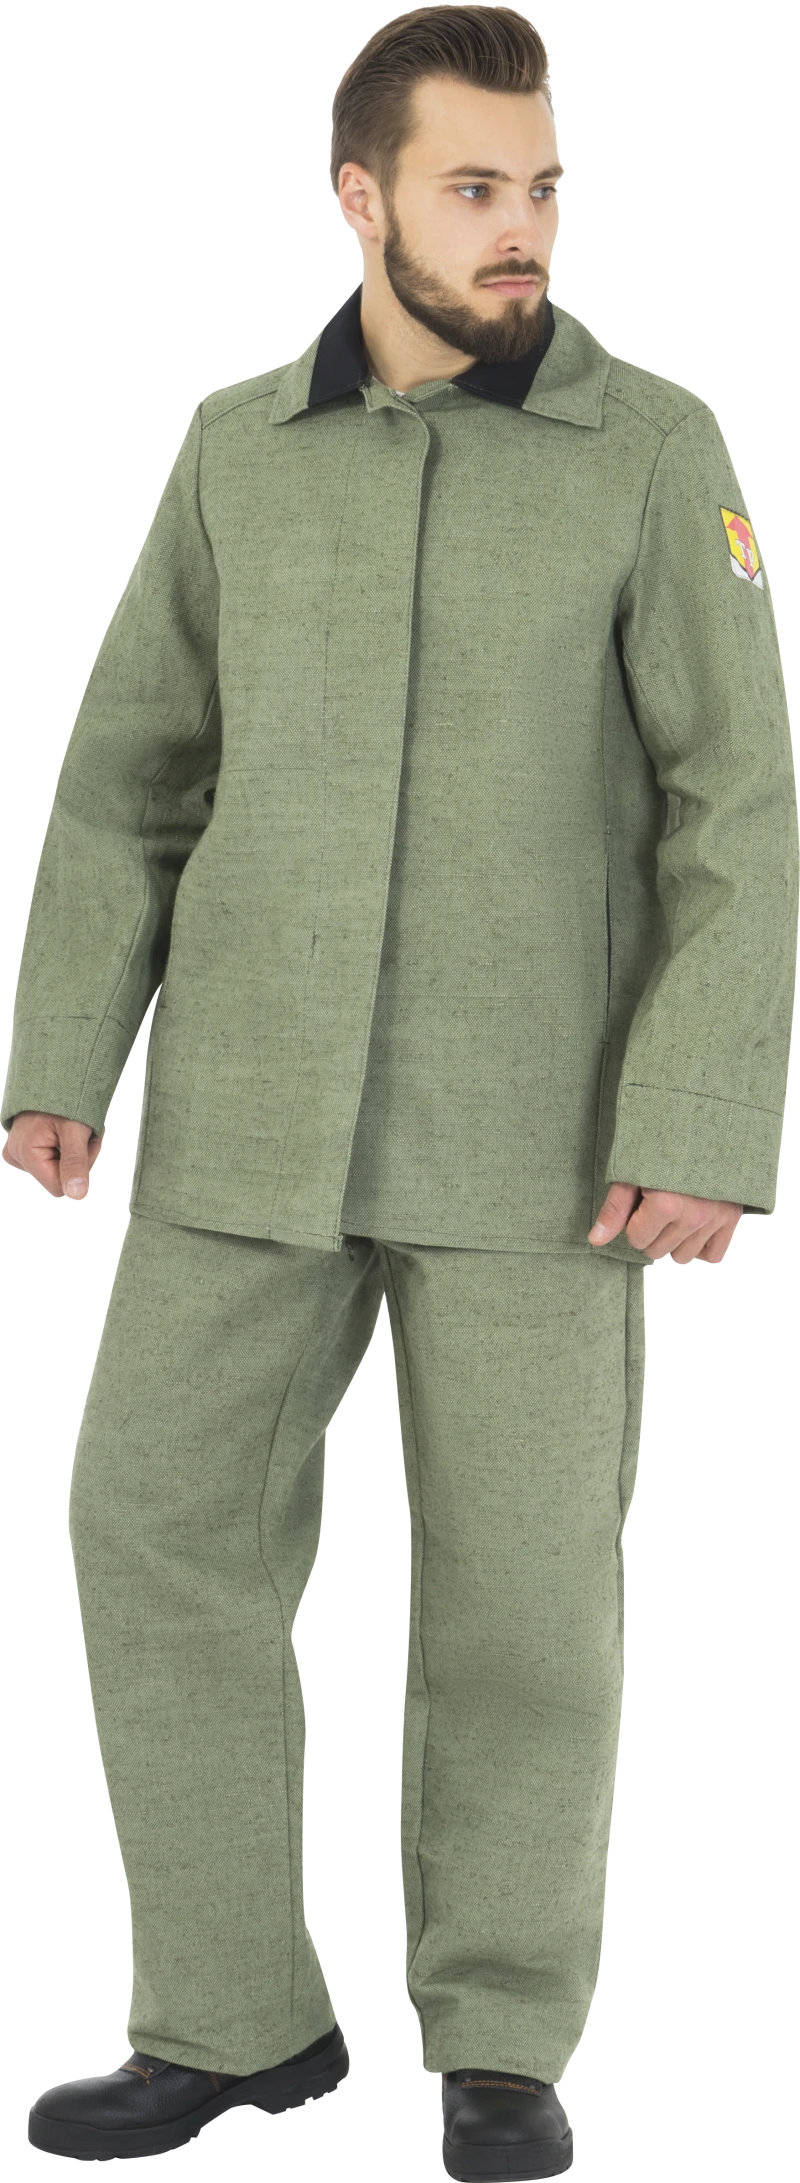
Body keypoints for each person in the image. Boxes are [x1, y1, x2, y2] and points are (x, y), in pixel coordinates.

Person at [9, 9, 797, 2173]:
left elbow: (735, 805)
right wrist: (66, 1049)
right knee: (151, 1524)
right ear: (357, 195)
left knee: (522, 1595)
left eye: (540, 186)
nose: (520, 225)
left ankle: (502, 2035)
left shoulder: (650, 448)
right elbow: (130, 771)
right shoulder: (233, 451)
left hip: (541, 1133)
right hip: (244, 1112)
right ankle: (231, 2014)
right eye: (474, 187)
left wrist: (700, 1116)